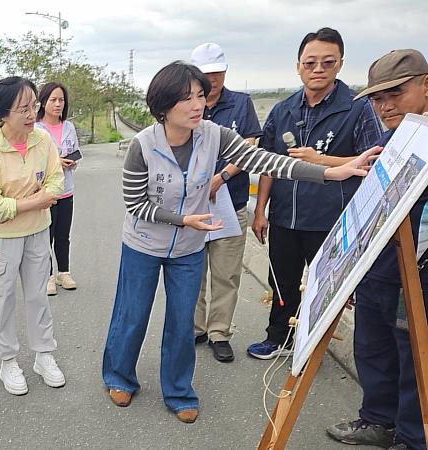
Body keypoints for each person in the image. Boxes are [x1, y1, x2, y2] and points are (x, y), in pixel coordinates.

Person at [101, 61, 379, 423]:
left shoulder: (214, 134)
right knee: (132, 313)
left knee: (182, 319)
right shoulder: (143, 145)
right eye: (186, 99)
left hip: (187, 248)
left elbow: (269, 161)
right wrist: (182, 219)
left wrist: (331, 171)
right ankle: (119, 376)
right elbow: (136, 204)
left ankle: (179, 390)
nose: (198, 104)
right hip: (143, 243)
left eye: (200, 95)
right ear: (164, 106)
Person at [247, 27, 383, 359]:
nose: (318, 69)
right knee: (281, 281)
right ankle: (278, 338)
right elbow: (269, 163)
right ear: (298, 66)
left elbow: (374, 159)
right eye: (310, 63)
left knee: (326, 287)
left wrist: (320, 160)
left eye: (327, 62)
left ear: (339, 65)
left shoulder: (357, 108)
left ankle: (314, 346)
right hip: (284, 215)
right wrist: (260, 210)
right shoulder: (283, 110)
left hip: (331, 218)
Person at [326, 50, 428, 450]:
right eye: (376, 98)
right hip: (376, 265)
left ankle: (412, 437)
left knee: (413, 356)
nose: (385, 106)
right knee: (372, 346)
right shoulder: (393, 139)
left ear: (425, 85)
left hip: (417, 272)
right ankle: (377, 421)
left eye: (395, 93)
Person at [0, 76, 67, 395]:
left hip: (38, 233)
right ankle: (8, 361)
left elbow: (57, 181)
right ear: (3, 113)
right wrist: (36, 200)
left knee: (38, 295)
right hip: (0, 239)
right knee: (2, 300)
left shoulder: (43, 141)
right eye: (23, 109)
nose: (31, 114)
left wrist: (35, 199)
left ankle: (44, 354)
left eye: (34, 106)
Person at [188, 43, 263, 363]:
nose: (212, 80)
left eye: (217, 73)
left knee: (226, 272)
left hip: (230, 202)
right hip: (191, 207)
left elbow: (249, 146)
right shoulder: (188, 105)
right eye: (206, 75)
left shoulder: (241, 104)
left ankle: (219, 331)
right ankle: (194, 328)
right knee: (192, 270)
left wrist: (221, 177)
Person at [35, 81, 82, 297]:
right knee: (47, 235)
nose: (57, 104)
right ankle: (48, 275)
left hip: (67, 188)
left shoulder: (69, 126)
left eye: (61, 100)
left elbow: (75, 150)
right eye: (53, 100)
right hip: (46, 192)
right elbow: (34, 160)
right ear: (43, 102)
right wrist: (56, 163)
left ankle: (64, 271)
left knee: (64, 234)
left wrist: (72, 161)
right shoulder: (36, 129)